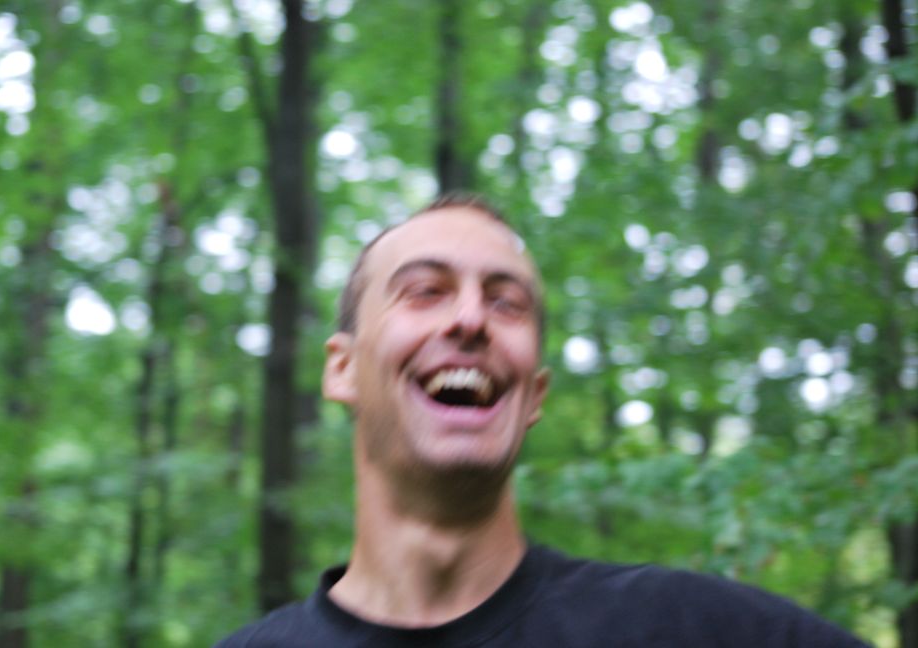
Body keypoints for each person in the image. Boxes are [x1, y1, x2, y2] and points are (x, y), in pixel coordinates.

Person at [215, 196, 869, 647]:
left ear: (534, 395)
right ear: (343, 370)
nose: (470, 320)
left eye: (506, 303)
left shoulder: (698, 631)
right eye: (425, 291)